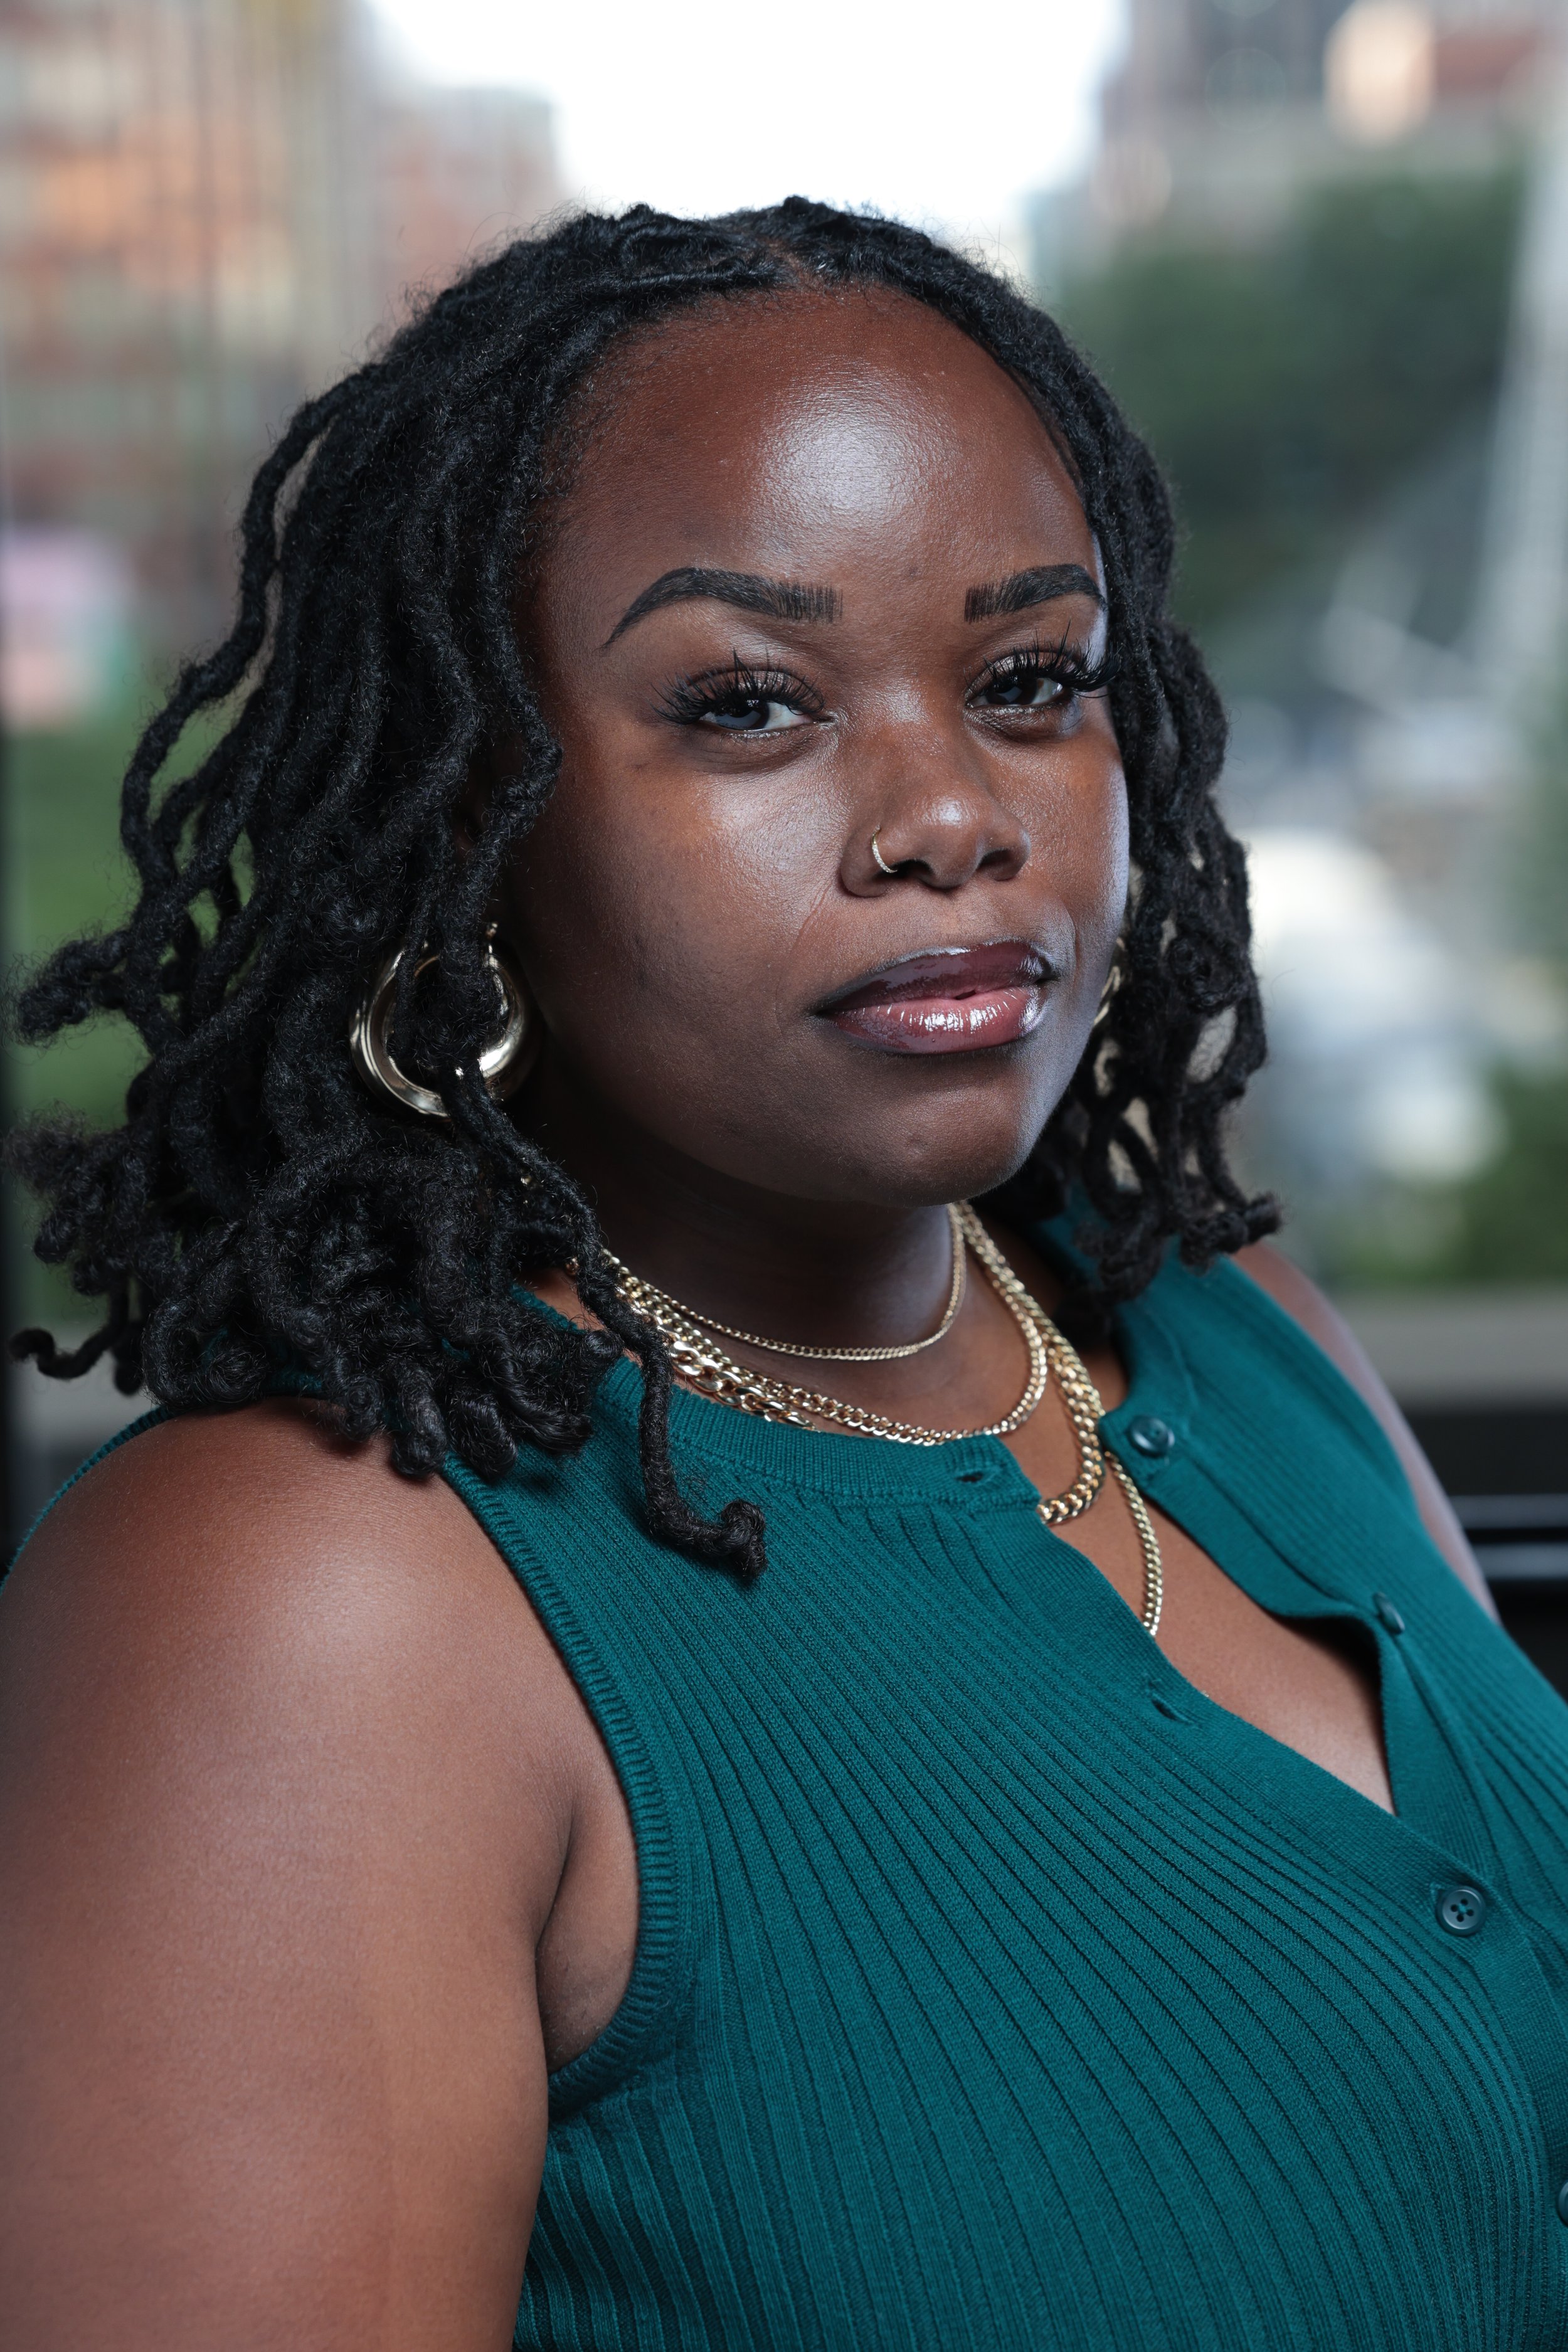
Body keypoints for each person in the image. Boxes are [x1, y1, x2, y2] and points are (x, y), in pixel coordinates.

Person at [0, 201, 1558, 2352]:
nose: (948, 814)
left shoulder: (1229, 1319)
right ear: (470, 821)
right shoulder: (297, 1604)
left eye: (1029, 681)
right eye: (748, 705)